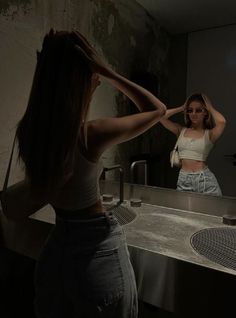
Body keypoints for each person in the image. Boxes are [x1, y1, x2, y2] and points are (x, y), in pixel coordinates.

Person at [15, 29, 166, 318]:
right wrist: (106, 70)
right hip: (96, 253)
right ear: (81, 77)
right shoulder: (90, 135)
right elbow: (157, 110)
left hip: (56, 251)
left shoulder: (29, 132)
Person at [160, 93, 226, 196]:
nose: (194, 114)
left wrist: (209, 107)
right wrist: (182, 108)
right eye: (190, 110)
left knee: (213, 211)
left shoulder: (209, 134)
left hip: (205, 180)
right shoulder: (180, 130)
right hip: (184, 179)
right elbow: (161, 117)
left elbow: (222, 122)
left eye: (199, 110)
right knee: (183, 212)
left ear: (205, 113)